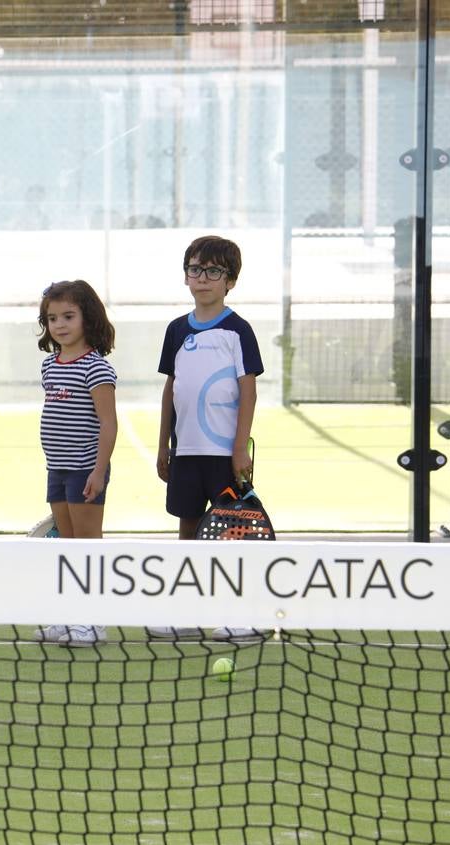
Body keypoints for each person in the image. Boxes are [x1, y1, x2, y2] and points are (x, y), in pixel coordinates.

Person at [153, 235, 263, 643]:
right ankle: (187, 611)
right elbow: (172, 389)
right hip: (186, 454)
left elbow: (248, 392)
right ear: (186, 277)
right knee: (188, 530)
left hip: (224, 455)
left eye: (213, 272)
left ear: (230, 282)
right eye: (195, 269)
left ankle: (242, 615)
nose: (202, 278)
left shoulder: (238, 331)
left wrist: (239, 448)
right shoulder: (176, 330)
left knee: (232, 532)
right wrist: (164, 444)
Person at [30, 281, 117, 648]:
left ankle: (94, 622)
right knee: (66, 544)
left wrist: (98, 471)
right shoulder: (50, 365)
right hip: (58, 468)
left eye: (68, 316)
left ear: (88, 318)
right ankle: (70, 617)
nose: (60, 325)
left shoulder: (96, 369)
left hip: (85, 470)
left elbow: (109, 423)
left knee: (87, 544)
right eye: (52, 318)